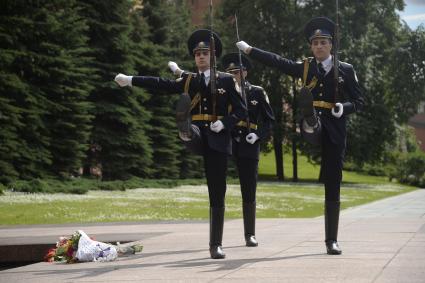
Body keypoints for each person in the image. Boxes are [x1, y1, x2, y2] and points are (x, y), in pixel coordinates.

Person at [236, 17, 364, 255]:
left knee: (333, 180)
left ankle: (331, 240)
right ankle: (310, 118)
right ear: (311, 46)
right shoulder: (305, 67)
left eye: (323, 42)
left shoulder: (345, 69)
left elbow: (359, 101)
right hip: (313, 123)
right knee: (312, 124)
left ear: (331, 44)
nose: (318, 46)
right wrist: (250, 50)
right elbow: (278, 62)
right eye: (314, 42)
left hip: (336, 125)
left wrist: (343, 108)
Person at [114, 29, 246, 259]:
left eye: (205, 53)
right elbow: (161, 84)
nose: (201, 57)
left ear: (212, 57)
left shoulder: (226, 79)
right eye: (198, 54)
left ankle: (216, 244)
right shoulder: (189, 81)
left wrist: (225, 123)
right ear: (194, 58)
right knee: (191, 132)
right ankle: (185, 129)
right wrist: (130, 80)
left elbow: (242, 111)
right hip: (198, 133)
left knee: (217, 191)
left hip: (218, 138)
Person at [221, 53, 275, 247]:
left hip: (248, 141)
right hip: (226, 138)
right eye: (230, 73)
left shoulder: (257, 92)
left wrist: (258, 134)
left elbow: (269, 120)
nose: (234, 75)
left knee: (249, 187)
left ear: (245, 72)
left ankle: (249, 234)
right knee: (219, 185)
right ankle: (217, 236)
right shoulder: (222, 91)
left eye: (237, 72)